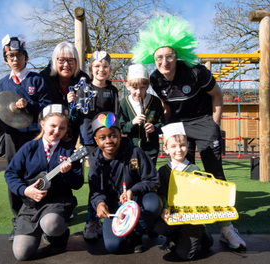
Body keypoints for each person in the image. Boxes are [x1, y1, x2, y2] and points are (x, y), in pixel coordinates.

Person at [132, 15, 246, 250]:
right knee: (186, 178)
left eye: (169, 56)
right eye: (159, 57)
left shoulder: (196, 72)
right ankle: (193, 225)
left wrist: (214, 125)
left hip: (203, 121)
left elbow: (217, 95)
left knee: (215, 173)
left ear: (176, 55)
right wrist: (167, 128)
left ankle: (226, 229)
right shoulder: (154, 78)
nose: (164, 61)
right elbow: (165, 104)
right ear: (154, 59)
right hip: (179, 124)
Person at [4, 104, 84, 261]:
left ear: (67, 129)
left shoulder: (69, 151)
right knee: (21, 254)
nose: (56, 131)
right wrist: (25, 190)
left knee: (51, 224)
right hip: (31, 202)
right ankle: (38, 229)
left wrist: (67, 174)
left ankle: (58, 238)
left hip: (58, 201)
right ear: (42, 124)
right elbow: (11, 173)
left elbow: (78, 183)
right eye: (52, 126)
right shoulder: (29, 147)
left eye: (62, 128)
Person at [0, 34, 52, 241]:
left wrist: (28, 104)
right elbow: (1, 109)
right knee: (13, 175)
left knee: (39, 174)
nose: (15, 59)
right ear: (6, 60)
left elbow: (47, 107)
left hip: (33, 135)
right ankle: (18, 220)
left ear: (26, 57)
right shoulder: (3, 82)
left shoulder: (36, 79)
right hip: (11, 136)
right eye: (11, 56)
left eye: (19, 55)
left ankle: (44, 221)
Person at [88, 112, 162, 254]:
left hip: (136, 201)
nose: (108, 140)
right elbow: (95, 191)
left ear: (121, 135)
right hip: (114, 209)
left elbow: (153, 179)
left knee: (153, 204)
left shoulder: (135, 153)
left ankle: (136, 233)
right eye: (102, 137)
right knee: (113, 247)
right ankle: (128, 233)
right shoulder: (95, 163)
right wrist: (100, 203)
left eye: (113, 135)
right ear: (96, 140)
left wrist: (133, 190)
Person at [67, 51, 119, 241]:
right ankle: (91, 220)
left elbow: (115, 116)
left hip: (108, 142)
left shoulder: (112, 91)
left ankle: (110, 214)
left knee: (110, 178)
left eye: (105, 66)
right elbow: (74, 118)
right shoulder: (82, 88)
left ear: (109, 69)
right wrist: (71, 104)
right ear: (91, 69)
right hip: (90, 142)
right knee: (96, 180)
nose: (101, 69)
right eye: (97, 66)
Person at [155, 122, 214, 260]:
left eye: (182, 145)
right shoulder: (163, 171)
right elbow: (162, 193)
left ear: (187, 146)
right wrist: (164, 208)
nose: (178, 149)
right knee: (159, 226)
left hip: (191, 217)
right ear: (166, 149)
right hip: (173, 215)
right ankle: (175, 238)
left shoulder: (195, 170)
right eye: (173, 146)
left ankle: (202, 233)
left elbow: (200, 195)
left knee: (184, 255)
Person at [40, 42, 91, 146]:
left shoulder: (83, 80)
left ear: (76, 63)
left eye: (71, 60)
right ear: (55, 61)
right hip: (48, 131)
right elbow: (41, 108)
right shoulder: (44, 78)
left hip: (71, 130)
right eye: (61, 60)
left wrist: (69, 131)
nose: (66, 65)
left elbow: (84, 111)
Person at [119, 64, 164, 166]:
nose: (138, 92)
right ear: (128, 86)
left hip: (151, 150)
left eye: (142, 87)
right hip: (131, 150)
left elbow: (162, 125)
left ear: (147, 86)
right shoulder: (124, 103)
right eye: (134, 88)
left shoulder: (155, 102)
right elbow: (121, 127)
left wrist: (154, 128)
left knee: (150, 175)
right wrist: (132, 122)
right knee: (134, 174)